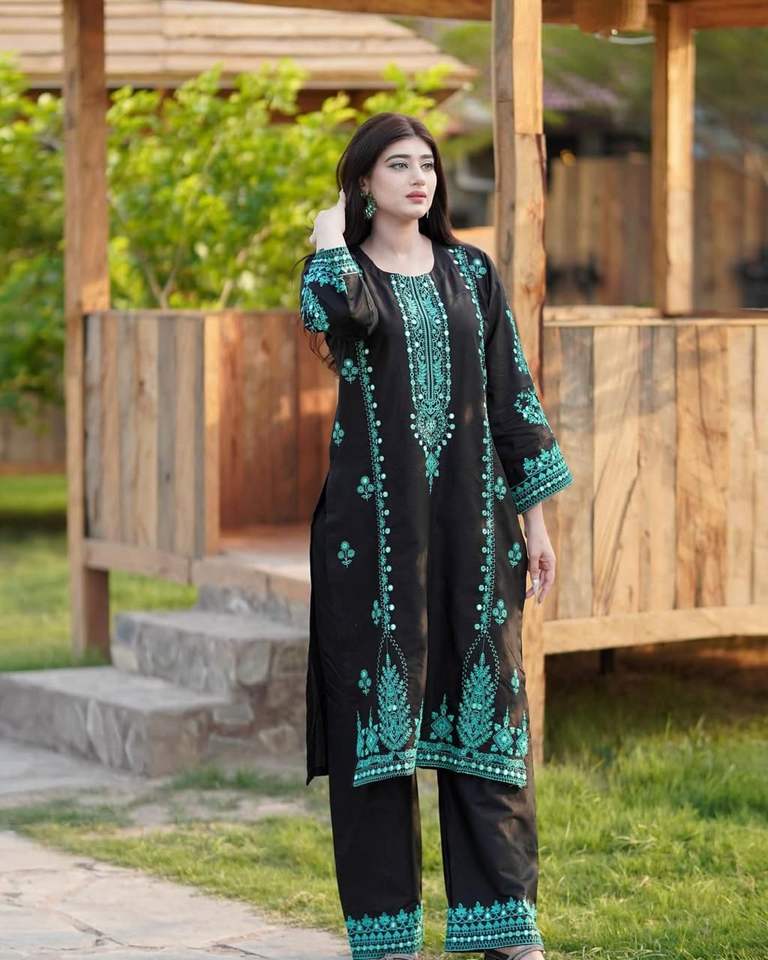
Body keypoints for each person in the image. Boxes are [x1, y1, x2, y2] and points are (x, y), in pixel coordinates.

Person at [296, 112, 573, 960]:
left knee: (489, 719)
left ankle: (506, 928)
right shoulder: (342, 273)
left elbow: (512, 395)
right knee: (375, 732)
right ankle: (386, 938)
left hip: (473, 536)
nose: (419, 178)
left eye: (427, 165)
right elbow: (339, 321)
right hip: (371, 542)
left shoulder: (470, 271)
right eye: (397, 165)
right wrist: (328, 233)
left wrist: (535, 521)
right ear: (364, 181)